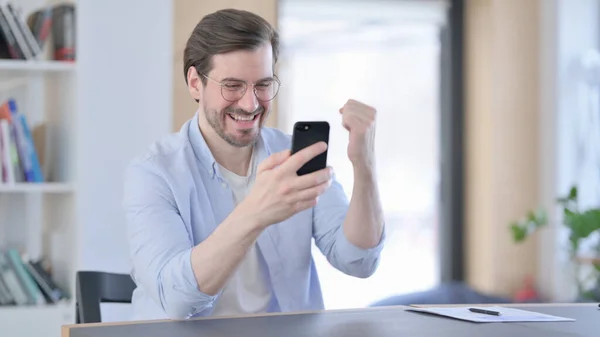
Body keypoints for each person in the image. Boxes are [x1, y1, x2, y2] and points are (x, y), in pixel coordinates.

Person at [122, 8, 385, 321]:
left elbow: (358, 260)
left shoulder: (294, 156)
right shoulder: (153, 173)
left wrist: (364, 166)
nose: (250, 104)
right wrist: (257, 211)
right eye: (232, 86)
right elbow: (177, 299)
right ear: (195, 83)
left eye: (262, 84)